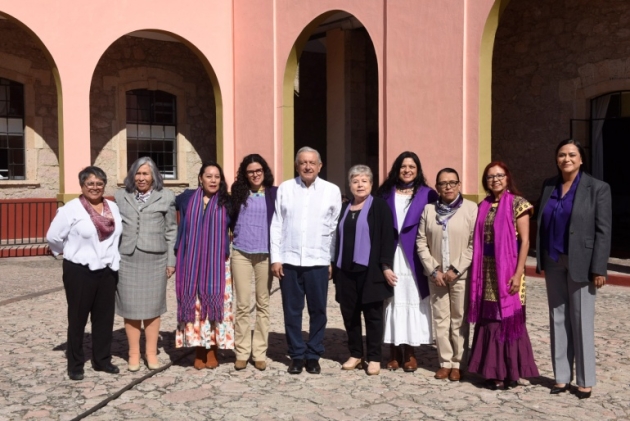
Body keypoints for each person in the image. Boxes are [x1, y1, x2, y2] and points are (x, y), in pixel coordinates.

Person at [536, 139, 612, 399]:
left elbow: (603, 231)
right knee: (558, 317)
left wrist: (599, 268)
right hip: (553, 258)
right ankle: (561, 377)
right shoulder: (549, 185)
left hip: (582, 261)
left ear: (581, 159)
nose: (566, 159)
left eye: (571, 155)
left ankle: (585, 379)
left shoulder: (598, 188)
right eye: (561, 155)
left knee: (581, 321)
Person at [467, 161, 539, 390]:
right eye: (490, 177)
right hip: (486, 270)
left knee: (507, 318)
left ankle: (510, 370)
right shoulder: (483, 205)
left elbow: (525, 241)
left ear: (507, 177)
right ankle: (492, 370)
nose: (495, 179)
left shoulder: (519, 204)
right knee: (489, 317)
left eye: (499, 175)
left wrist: (518, 274)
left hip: (509, 270)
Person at [47, 166, 122, 381]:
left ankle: (102, 360)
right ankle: (75, 363)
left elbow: (117, 236)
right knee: (78, 318)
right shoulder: (71, 209)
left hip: (107, 271)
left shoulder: (113, 208)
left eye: (99, 183)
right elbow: (53, 237)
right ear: (82, 186)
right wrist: (71, 251)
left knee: (104, 318)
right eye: (90, 183)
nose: (95, 187)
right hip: (79, 271)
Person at [270, 146, 342, 375]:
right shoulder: (286, 189)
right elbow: (277, 223)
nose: (308, 166)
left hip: (318, 261)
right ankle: (297, 355)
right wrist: (276, 258)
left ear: (320, 166)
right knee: (292, 310)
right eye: (303, 163)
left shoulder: (332, 191)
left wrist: (331, 259)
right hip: (290, 260)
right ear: (297, 165)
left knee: (318, 310)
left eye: (312, 163)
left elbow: (334, 228)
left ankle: (314, 354)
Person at [376, 151, 438, 372]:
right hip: (390, 254)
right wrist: (382, 263)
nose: (407, 170)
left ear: (418, 170)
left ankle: (410, 351)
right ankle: (394, 351)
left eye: (412, 166)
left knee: (412, 299)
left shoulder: (428, 195)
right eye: (403, 166)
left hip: (414, 256)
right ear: (397, 169)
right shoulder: (384, 193)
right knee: (392, 301)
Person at [114, 157, 177, 372]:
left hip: (155, 259)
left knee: (152, 308)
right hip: (127, 259)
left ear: (154, 176)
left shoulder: (166, 196)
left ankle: (150, 353)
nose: (141, 178)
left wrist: (171, 260)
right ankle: (133, 353)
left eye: (146, 174)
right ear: (132, 175)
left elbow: (171, 230)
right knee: (130, 309)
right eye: (138, 174)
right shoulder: (120, 197)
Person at [333, 165, 395, 376]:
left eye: (364, 181)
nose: (360, 185)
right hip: (345, 271)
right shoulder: (344, 208)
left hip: (371, 272)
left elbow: (388, 237)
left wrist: (386, 265)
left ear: (371, 184)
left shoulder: (380, 207)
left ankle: (375, 357)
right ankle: (356, 354)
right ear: (349, 185)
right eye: (355, 181)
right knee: (349, 314)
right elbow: (337, 239)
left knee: (373, 316)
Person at [416, 168, 477, 382]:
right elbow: (421, 241)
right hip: (436, 275)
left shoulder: (471, 209)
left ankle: (458, 362)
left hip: (460, 274)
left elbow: (473, 244)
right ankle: (445, 362)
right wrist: (433, 269)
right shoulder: (429, 210)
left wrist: (456, 269)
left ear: (459, 185)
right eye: (443, 183)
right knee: (441, 318)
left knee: (459, 317)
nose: (448, 187)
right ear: (437, 187)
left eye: (452, 182)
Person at [174, 161, 234, 369]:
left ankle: (213, 350)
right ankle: (198, 350)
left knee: (216, 308)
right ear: (200, 178)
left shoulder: (227, 202)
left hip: (217, 266)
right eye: (209, 176)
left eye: (217, 176)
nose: (213, 180)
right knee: (197, 309)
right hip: (190, 263)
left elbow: (235, 227)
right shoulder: (186, 199)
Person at [230, 154, 277, 371]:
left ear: (264, 171)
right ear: (245, 174)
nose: (255, 174)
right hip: (241, 253)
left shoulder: (274, 194)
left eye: (258, 170)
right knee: (241, 304)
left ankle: (259, 352)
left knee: (263, 303)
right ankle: (241, 351)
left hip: (265, 255)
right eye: (250, 171)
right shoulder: (238, 194)